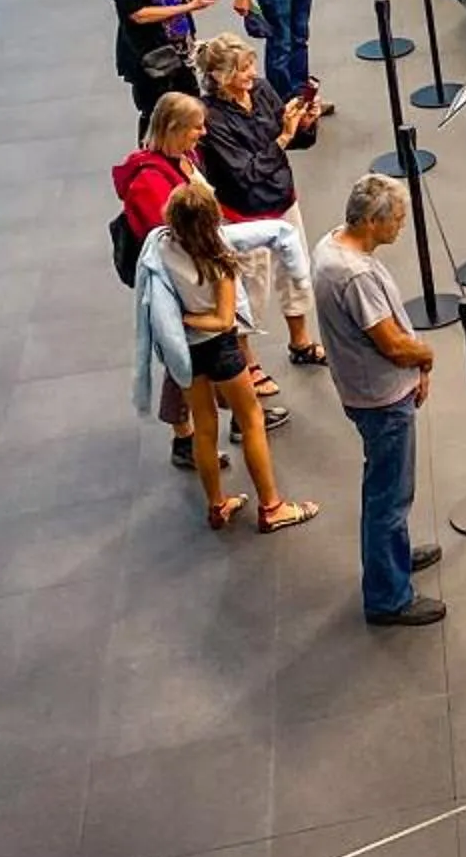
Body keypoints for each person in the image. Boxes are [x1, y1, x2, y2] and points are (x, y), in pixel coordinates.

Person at [114, 90, 298, 470]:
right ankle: (186, 436)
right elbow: (167, 240)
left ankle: (224, 414)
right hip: (185, 284)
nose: (203, 133)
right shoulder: (149, 180)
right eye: (196, 127)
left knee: (208, 351)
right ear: (173, 128)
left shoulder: (184, 158)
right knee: (185, 362)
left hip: (204, 273)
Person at [144, 186, 319, 535]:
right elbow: (224, 321)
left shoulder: (163, 248)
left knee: (204, 428)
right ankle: (272, 506)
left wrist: (179, 323)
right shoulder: (219, 262)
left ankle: (217, 504)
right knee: (251, 419)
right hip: (220, 349)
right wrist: (193, 320)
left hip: (188, 353)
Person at [312, 174, 446, 627]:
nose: (401, 226)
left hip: (364, 388)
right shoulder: (357, 275)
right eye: (397, 218)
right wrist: (424, 357)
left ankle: (394, 559)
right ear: (371, 221)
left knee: (386, 487)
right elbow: (391, 343)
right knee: (389, 495)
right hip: (382, 398)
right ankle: (389, 596)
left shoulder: (331, 246)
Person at [190, 33, 328, 372]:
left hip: (282, 198)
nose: (253, 73)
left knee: (295, 272)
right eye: (243, 69)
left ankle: (300, 340)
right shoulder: (212, 118)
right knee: (251, 288)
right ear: (221, 78)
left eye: (251, 65)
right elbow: (244, 173)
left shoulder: (262, 90)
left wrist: (304, 124)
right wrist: (282, 137)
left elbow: (291, 138)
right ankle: (247, 363)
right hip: (245, 215)